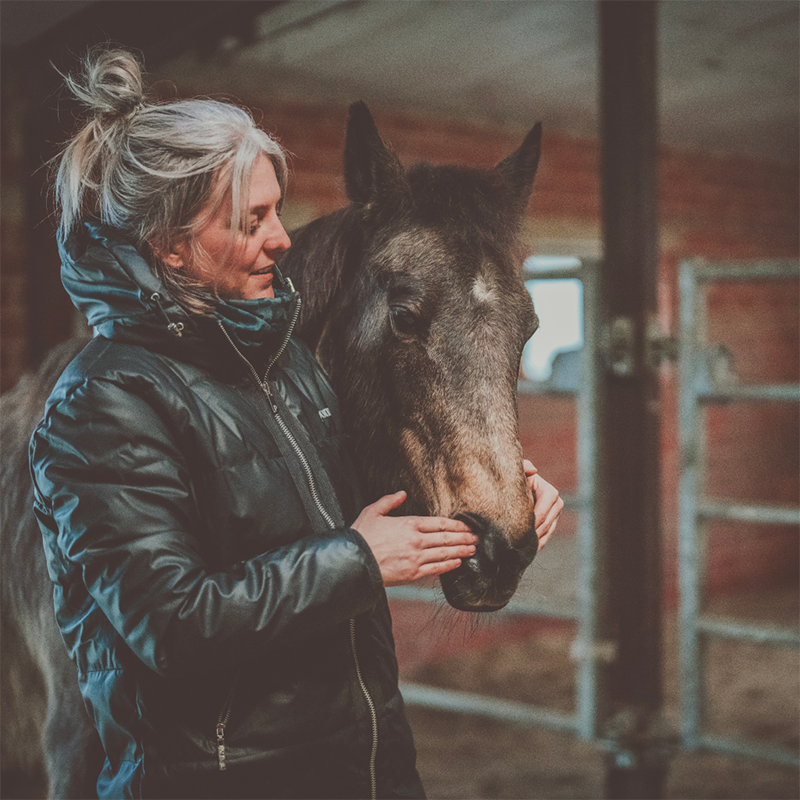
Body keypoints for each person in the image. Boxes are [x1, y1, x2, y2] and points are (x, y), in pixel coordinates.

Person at [29, 48, 562, 800]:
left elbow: (332, 499)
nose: (284, 239)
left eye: (277, 211)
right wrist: (357, 562)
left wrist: (497, 496)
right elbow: (171, 626)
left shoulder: (283, 366)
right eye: (253, 220)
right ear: (170, 246)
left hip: (355, 763)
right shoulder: (105, 403)